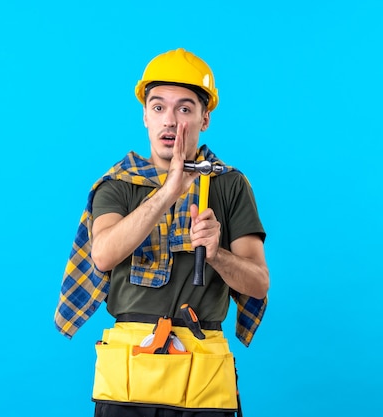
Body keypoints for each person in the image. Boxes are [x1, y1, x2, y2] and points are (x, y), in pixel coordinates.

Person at [55, 48, 269, 417]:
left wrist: (216, 253)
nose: (170, 121)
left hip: (202, 375)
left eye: (185, 109)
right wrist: (170, 190)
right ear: (144, 116)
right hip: (128, 376)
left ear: (205, 118)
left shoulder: (229, 185)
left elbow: (258, 283)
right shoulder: (118, 185)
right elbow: (103, 253)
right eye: (158, 107)